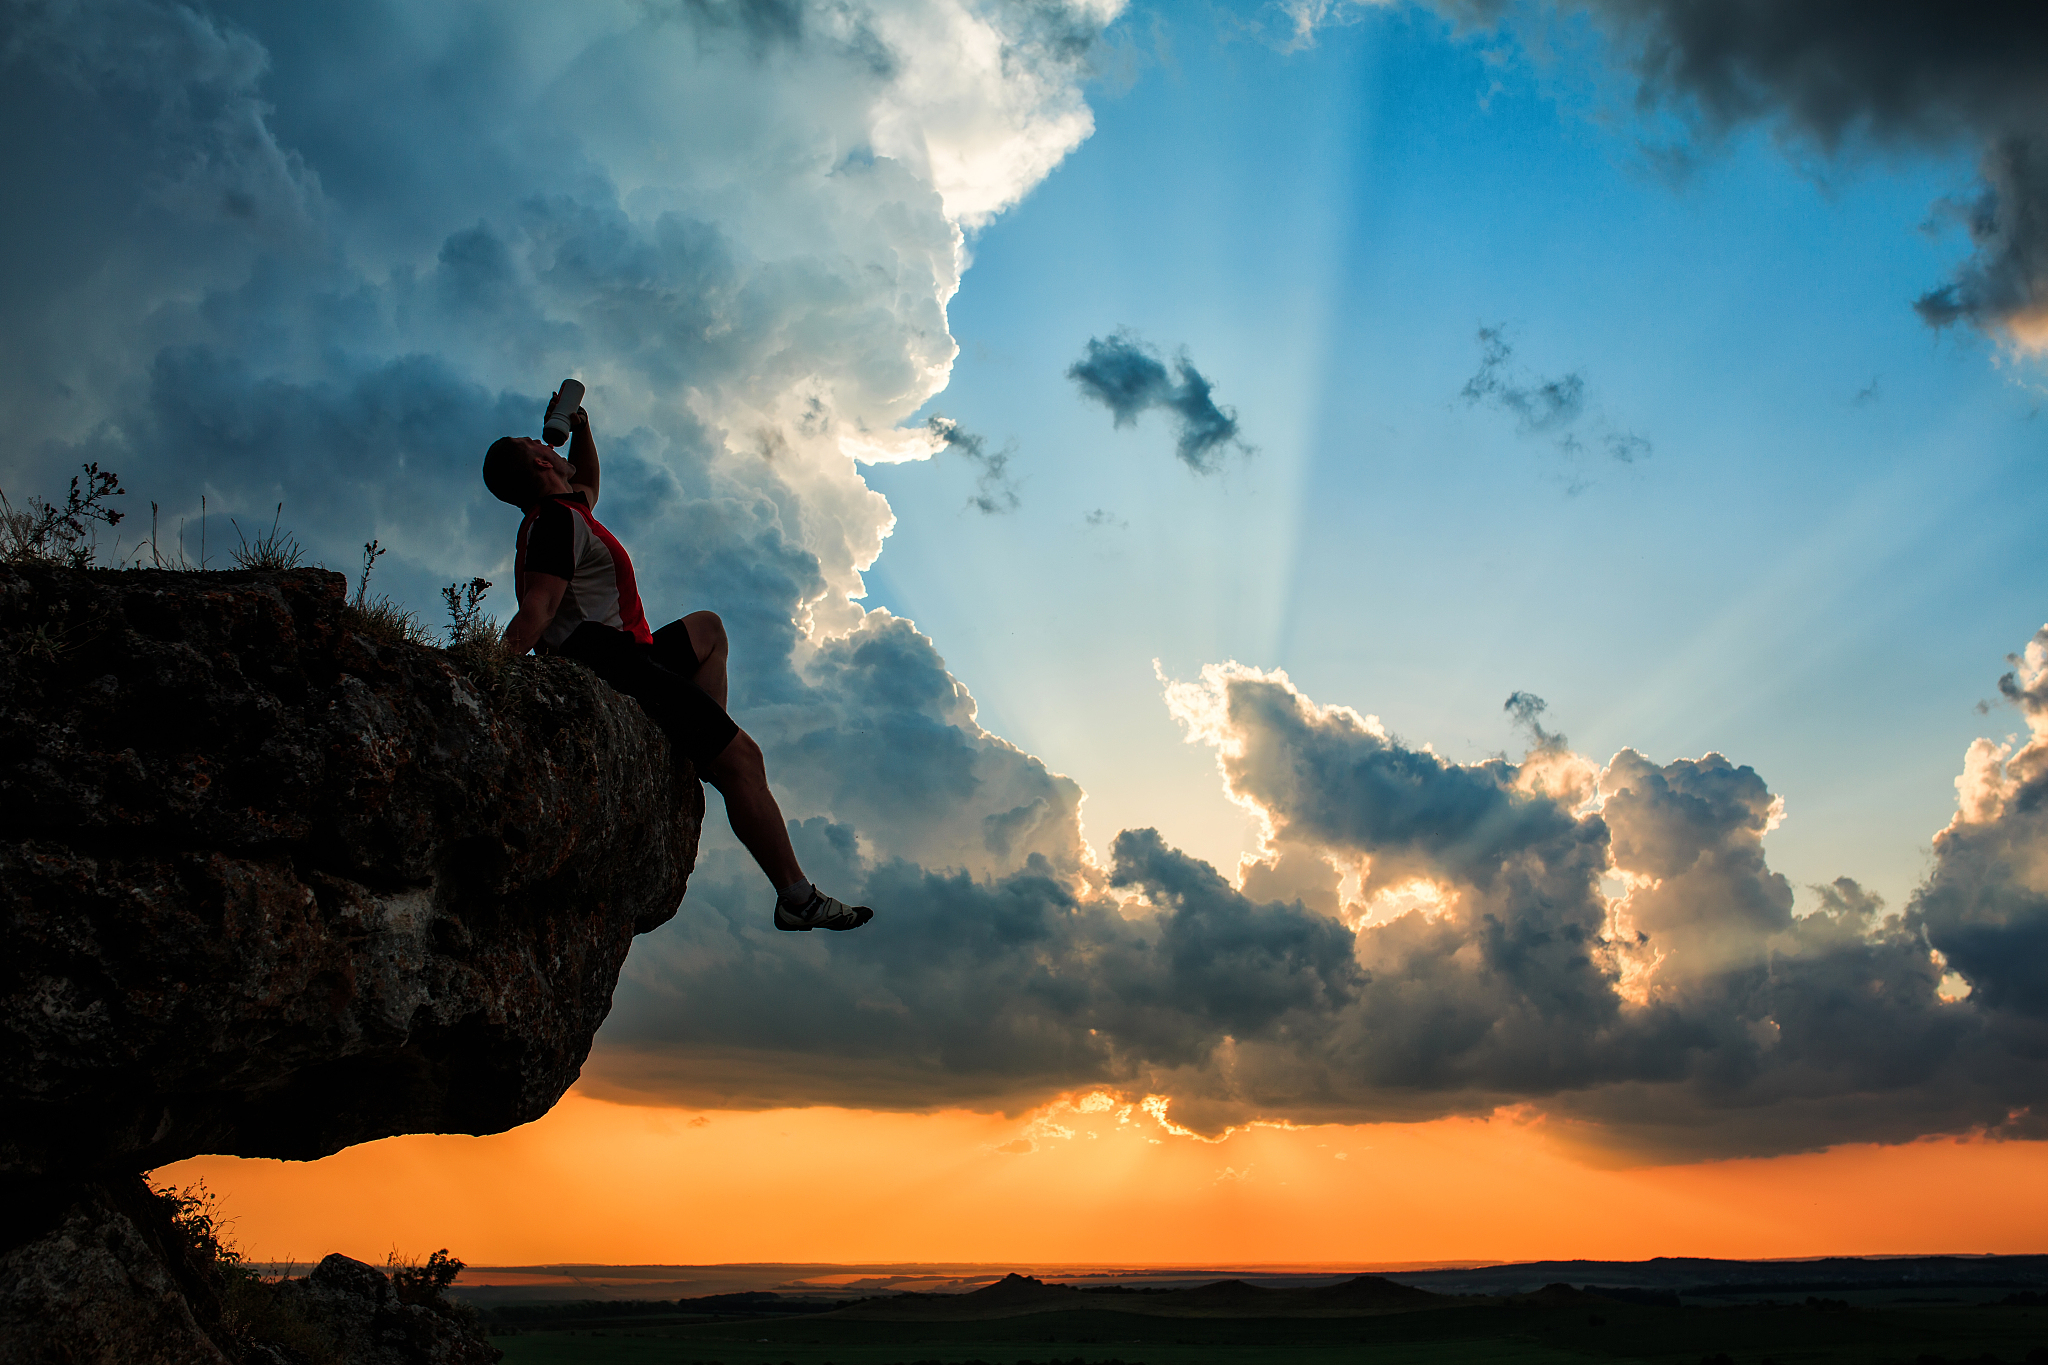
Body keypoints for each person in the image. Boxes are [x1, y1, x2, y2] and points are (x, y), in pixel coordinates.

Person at [482, 391, 872, 933]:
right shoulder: (553, 522)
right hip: (610, 661)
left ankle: (702, 752)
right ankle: (796, 897)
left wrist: (583, 427)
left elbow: (589, 480)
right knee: (746, 760)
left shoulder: (569, 510)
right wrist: (486, 671)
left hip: (632, 650)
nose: (547, 442)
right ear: (543, 462)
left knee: (708, 628)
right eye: (536, 442)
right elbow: (538, 611)